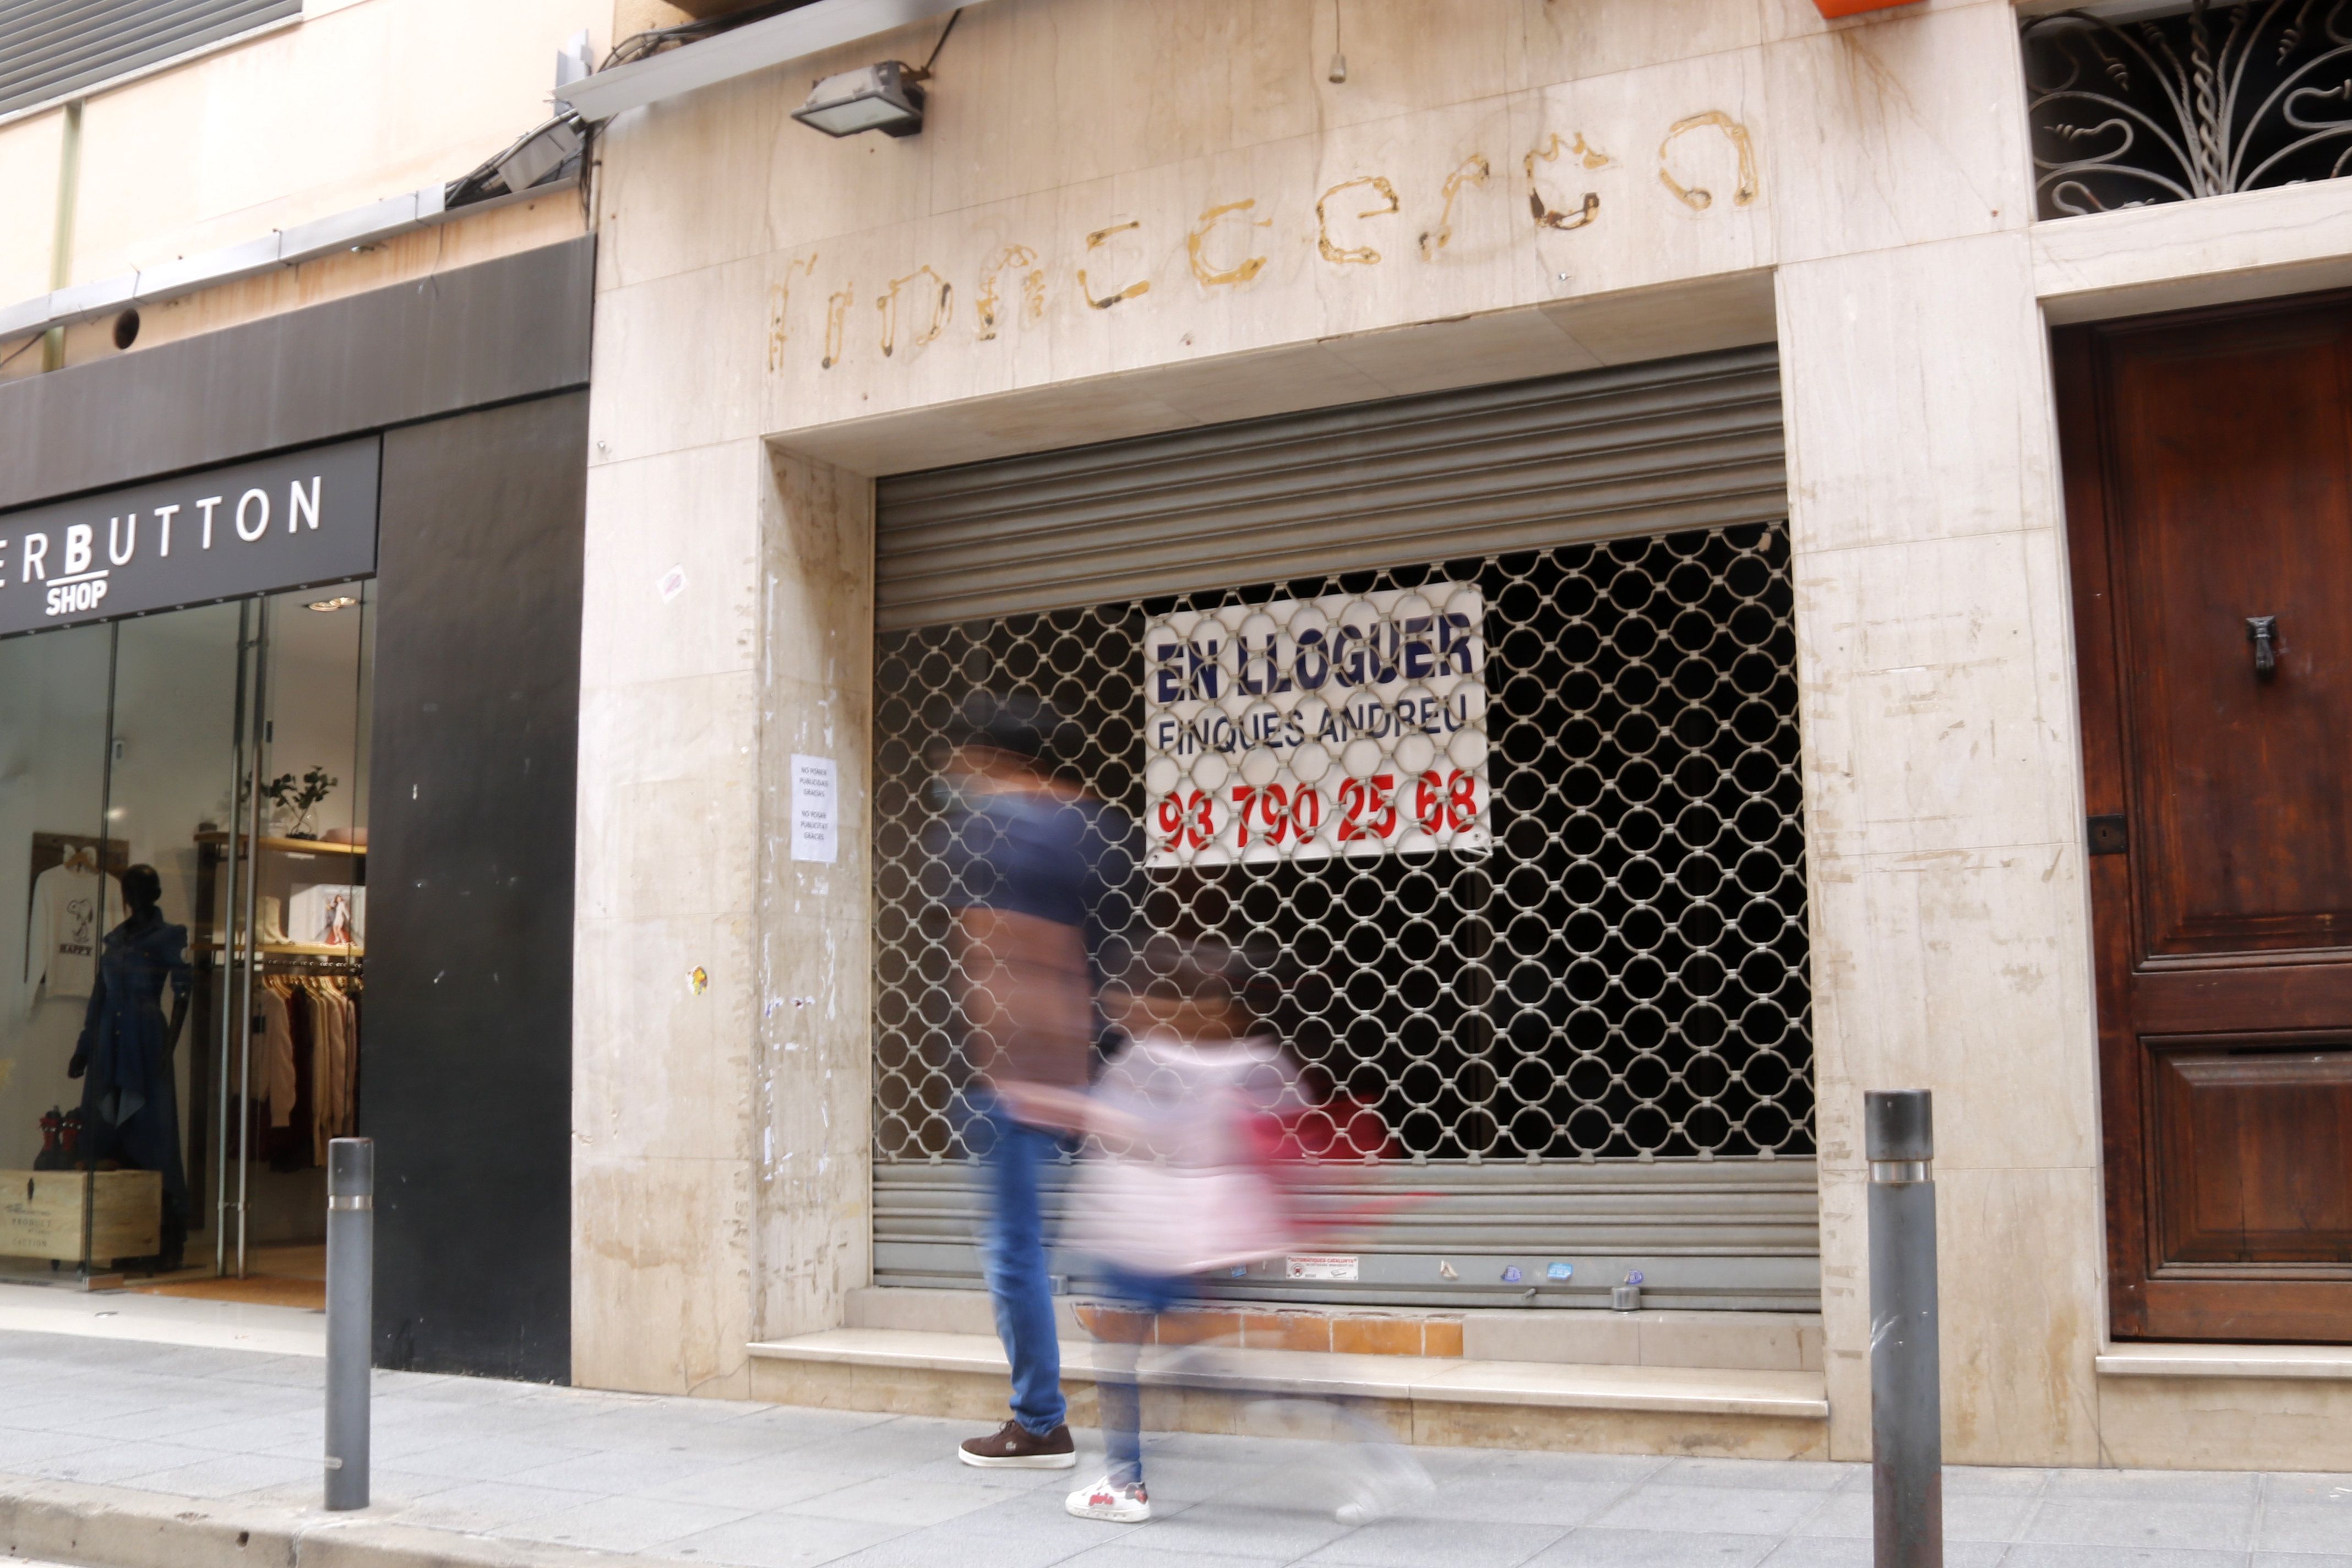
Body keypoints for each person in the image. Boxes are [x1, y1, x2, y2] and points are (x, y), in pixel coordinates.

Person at [933, 693, 1136, 1471]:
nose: (953, 775)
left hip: (1018, 1079)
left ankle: (1040, 1422)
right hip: (1106, 1067)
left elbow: (999, 958)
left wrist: (1013, 1079)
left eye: (961, 760)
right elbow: (1118, 951)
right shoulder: (1105, 831)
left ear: (992, 759)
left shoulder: (987, 832)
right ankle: (1150, 1394)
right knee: (1125, 1239)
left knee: (1016, 1252)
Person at [68, 863, 193, 1272]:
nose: (134, 896)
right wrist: (84, 1049)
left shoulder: (168, 936)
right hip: (109, 1042)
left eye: (141, 889)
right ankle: (117, 1232)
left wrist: (170, 1043)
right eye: (130, 889)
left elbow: (183, 991)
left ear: (154, 893)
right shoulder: (115, 941)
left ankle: (166, 1237)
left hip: (146, 1038)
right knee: (105, 1131)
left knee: (153, 1131)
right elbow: (97, 998)